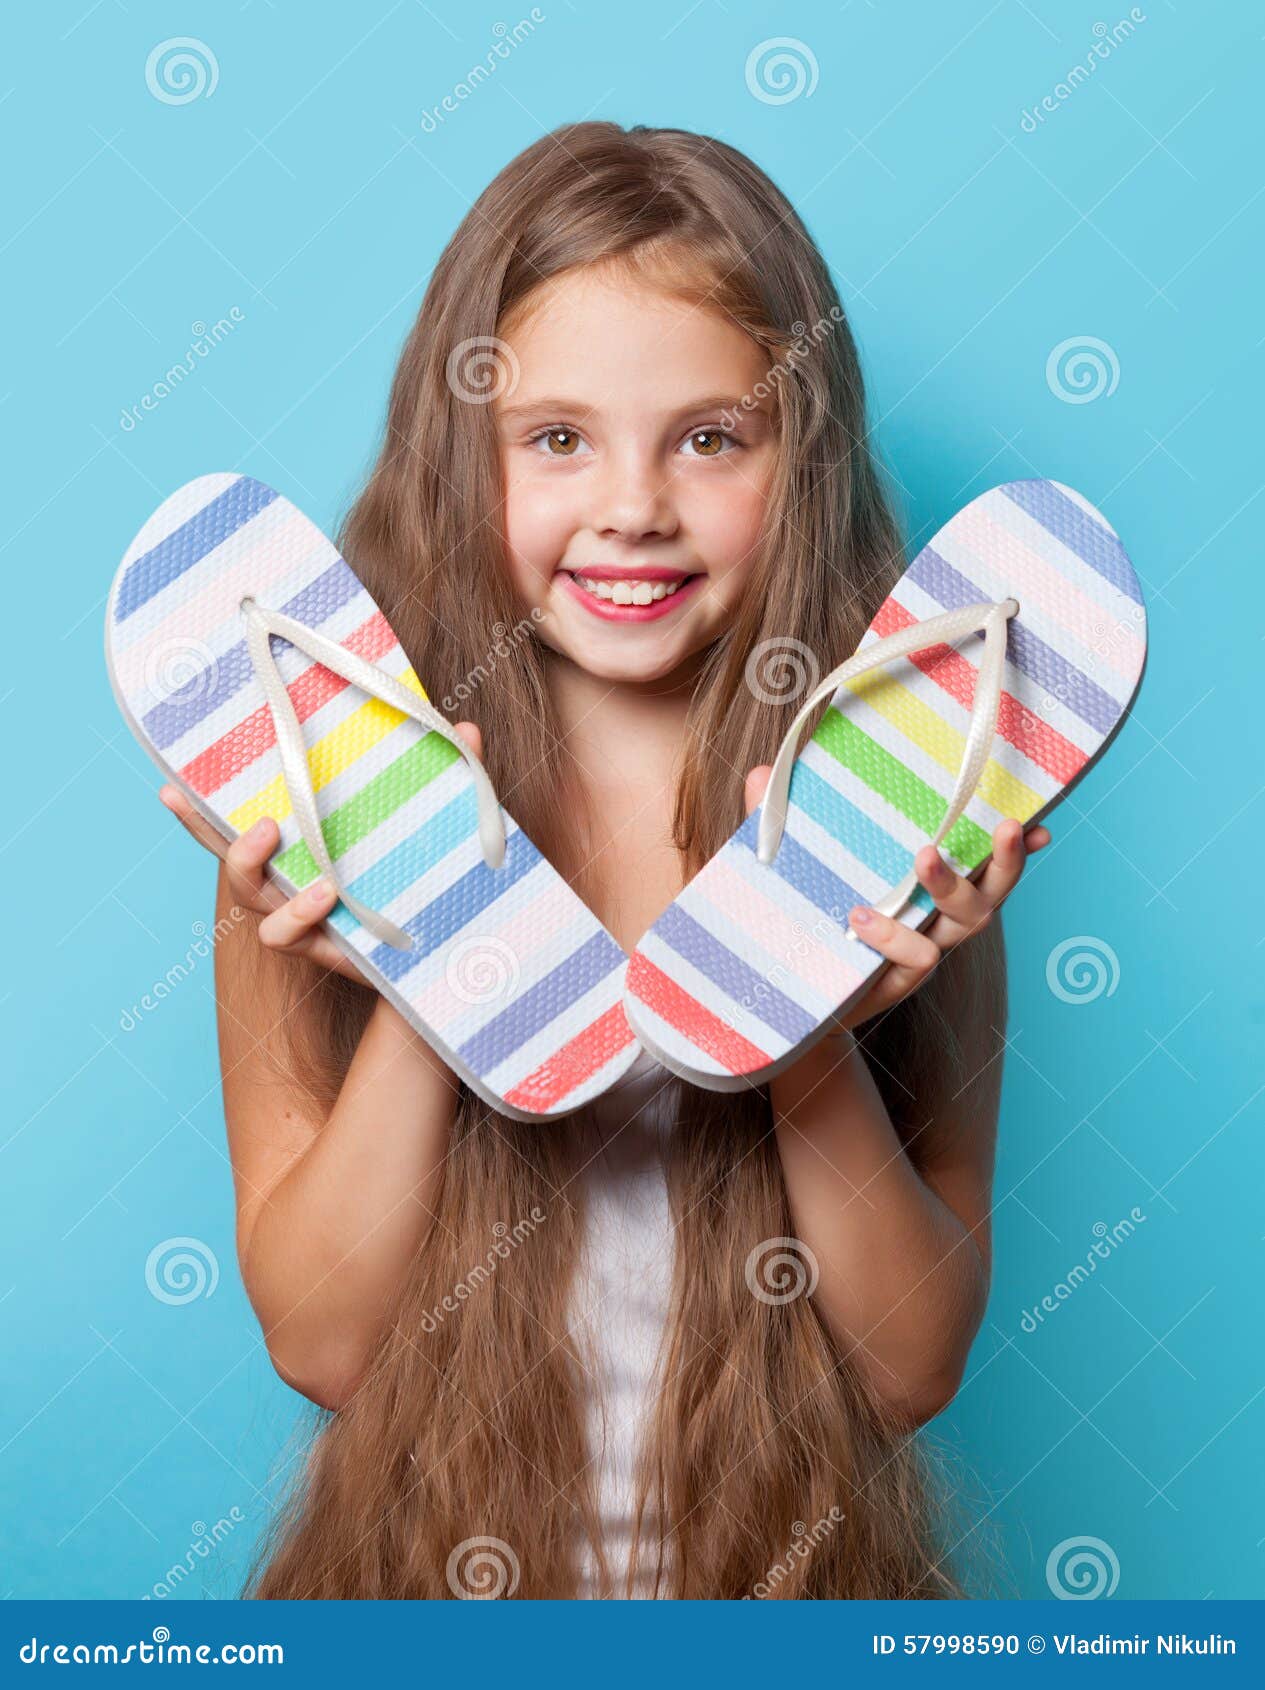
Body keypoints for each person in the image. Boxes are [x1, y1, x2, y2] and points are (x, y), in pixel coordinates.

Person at [158, 121, 1048, 1599]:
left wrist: (805, 1019)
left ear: (798, 455)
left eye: (711, 436)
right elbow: (323, 1344)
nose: (633, 504)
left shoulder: (903, 820)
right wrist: (427, 953)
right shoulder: (315, 824)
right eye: (556, 437)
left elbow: (909, 1366)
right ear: (463, 451)